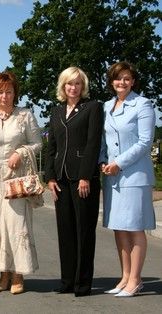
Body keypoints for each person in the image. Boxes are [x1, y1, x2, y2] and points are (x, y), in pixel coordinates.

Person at [0, 71, 42, 294]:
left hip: (16, 181)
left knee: (17, 226)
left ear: (15, 93)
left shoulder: (25, 116)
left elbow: (37, 143)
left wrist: (20, 152)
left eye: (9, 91)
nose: (5, 96)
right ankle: (3, 274)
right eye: (0, 91)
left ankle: (18, 274)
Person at [45, 67, 103, 297]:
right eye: (69, 83)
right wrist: (49, 177)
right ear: (63, 86)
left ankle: (83, 283)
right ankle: (67, 281)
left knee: (84, 232)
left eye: (78, 83)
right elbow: (52, 146)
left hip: (82, 179)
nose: (73, 87)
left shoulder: (93, 108)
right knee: (65, 231)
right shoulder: (56, 111)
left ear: (83, 86)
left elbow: (93, 144)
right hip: (60, 179)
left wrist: (86, 176)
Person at [100, 61, 156, 297]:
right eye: (117, 78)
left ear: (133, 81)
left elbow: (145, 142)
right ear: (111, 81)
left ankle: (136, 279)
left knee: (134, 229)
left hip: (134, 176)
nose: (121, 82)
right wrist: (102, 161)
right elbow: (102, 139)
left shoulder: (143, 105)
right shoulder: (106, 106)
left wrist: (118, 163)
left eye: (126, 78)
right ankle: (124, 277)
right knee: (119, 229)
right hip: (112, 178)